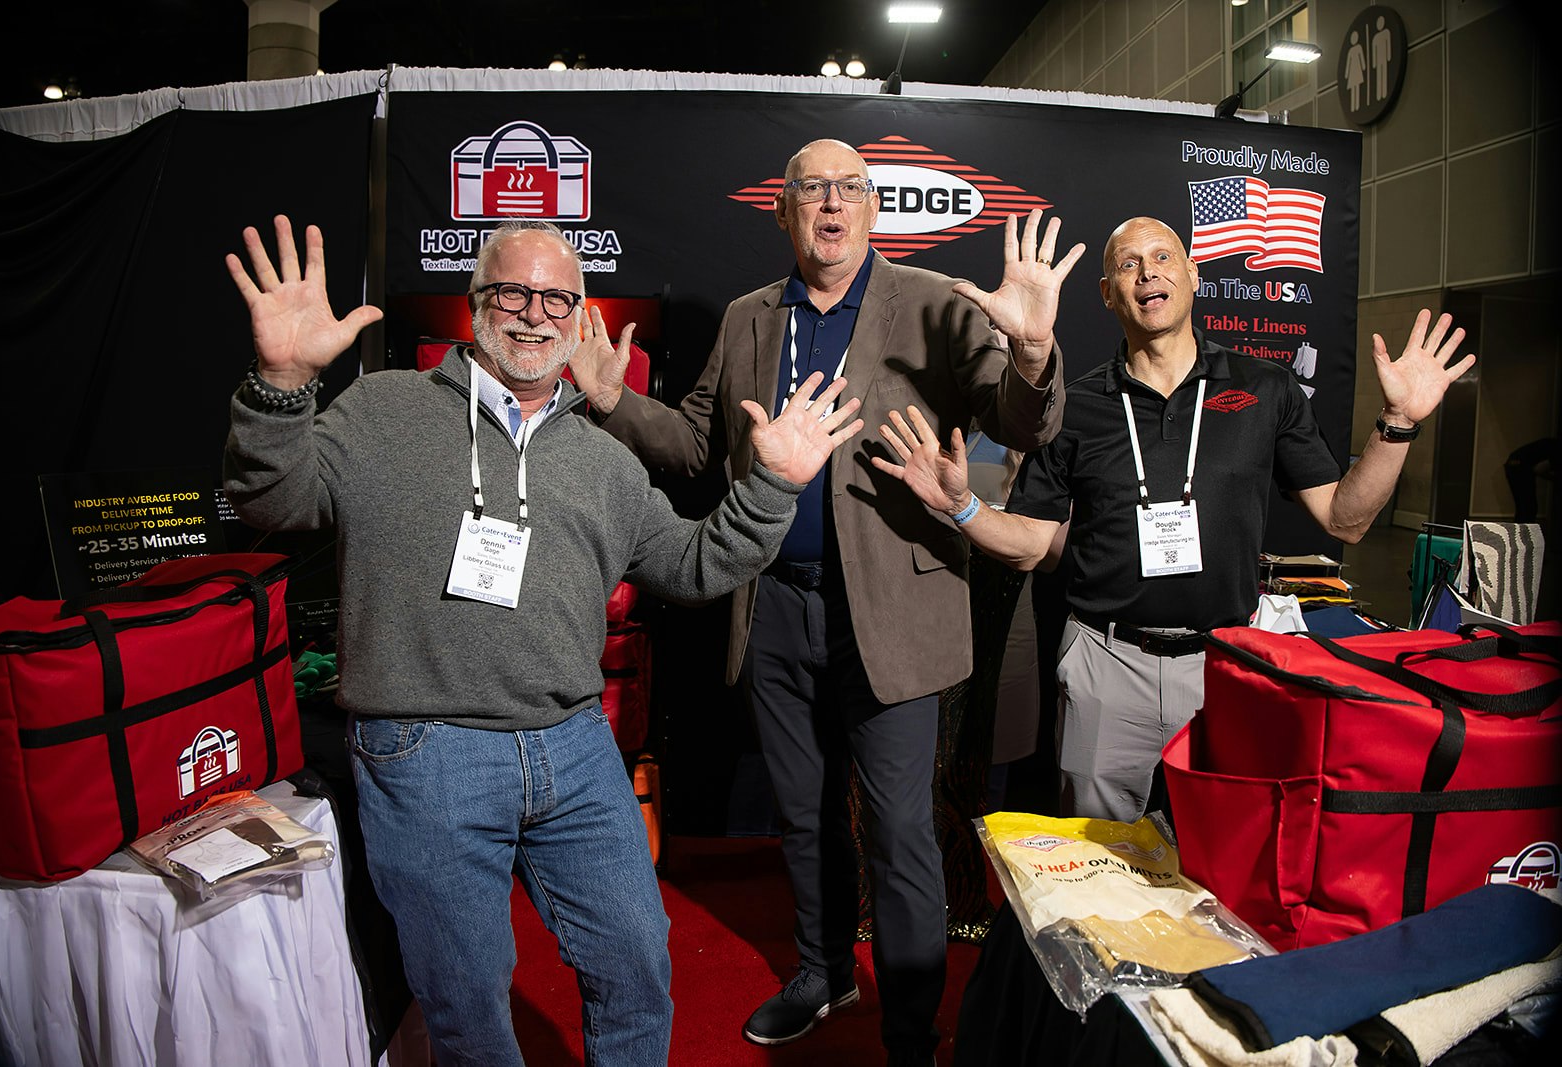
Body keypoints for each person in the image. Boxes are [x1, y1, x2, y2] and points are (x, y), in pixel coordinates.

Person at [221, 215, 863, 1066]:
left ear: (581, 313)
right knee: (466, 998)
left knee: (637, 960)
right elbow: (274, 504)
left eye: (556, 297)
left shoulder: (603, 460)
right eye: (513, 292)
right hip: (426, 751)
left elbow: (696, 563)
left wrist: (772, 487)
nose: (534, 314)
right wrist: (279, 385)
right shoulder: (383, 411)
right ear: (476, 302)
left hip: (574, 745)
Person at [568, 138, 1077, 1064]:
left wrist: (1034, 350)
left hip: (894, 613)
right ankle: (822, 970)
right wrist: (611, 403)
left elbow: (1020, 422)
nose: (831, 205)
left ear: (873, 209)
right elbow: (691, 444)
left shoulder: (930, 305)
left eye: (849, 189)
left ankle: (913, 1025)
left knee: (899, 828)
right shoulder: (749, 318)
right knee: (800, 814)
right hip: (775, 609)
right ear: (785, 210)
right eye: (813, 190)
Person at [874, 215, 1474, 824]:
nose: (1147, 274)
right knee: (1096, 869)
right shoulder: (1074, 406)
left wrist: (1398, 424)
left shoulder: (1266, 389)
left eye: (1163, 258)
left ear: (1192, 274)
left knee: (1218, 859)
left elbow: (1344, 519)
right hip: (1106, 666)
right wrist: (963, 508)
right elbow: (1032, 543)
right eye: (1128, 265)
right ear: (1108, 294)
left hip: (1222, 663)